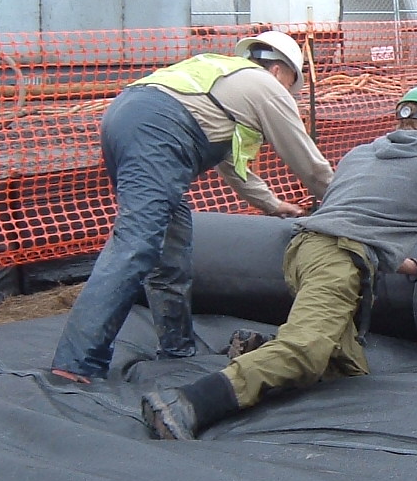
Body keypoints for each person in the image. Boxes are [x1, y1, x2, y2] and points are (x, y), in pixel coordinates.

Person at [141, 87, 417, 439]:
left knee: (347, 370)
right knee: (307, 353)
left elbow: (360, 221)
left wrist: (414, 267)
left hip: (303, 252)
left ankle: (257, 348)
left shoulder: (361, 154)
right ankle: (188, 403)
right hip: (335, 262)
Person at [51, 31, 334, 384]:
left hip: (127, 115)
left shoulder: (227, 78)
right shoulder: (266, 86)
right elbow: (305, 158)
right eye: (292, 83)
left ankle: (177, 347)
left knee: (172, 246)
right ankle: (76, 362)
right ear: (280, 71)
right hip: (156, 130)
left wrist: (273, 204)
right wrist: (340, 201)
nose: (290, 93)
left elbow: (232, 166)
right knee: (136, 243)